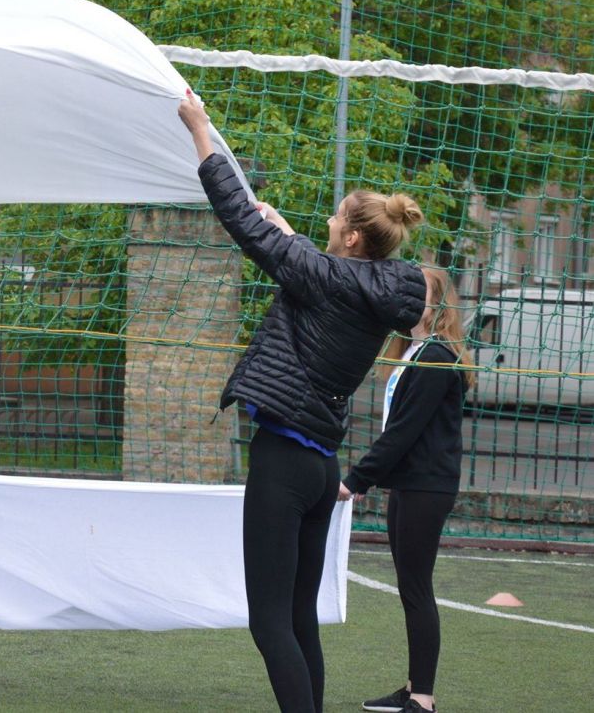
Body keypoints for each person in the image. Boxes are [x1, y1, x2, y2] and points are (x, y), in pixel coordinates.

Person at [177, 91, 427, 713]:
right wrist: (290, 237)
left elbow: (239, 217)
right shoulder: (367, 289)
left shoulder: (326, 277)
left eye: (336, 219)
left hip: (285, 464)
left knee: (270, 624)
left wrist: (199, 128)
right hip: (320, 471)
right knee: (298, 619)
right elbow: (318, 274)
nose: (329, 223)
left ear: (351, 236)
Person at [343, 266, 466, 713]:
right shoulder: (414, 351)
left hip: (426, 487)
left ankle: (423, 699)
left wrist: (357, 479)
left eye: (420, 292)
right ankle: (415, 685)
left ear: (438, 305)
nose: (409, 297)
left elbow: (404, 431)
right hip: (410, 484)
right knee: (410, 586)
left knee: (416, 588)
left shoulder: (436, 357)